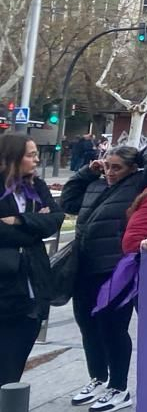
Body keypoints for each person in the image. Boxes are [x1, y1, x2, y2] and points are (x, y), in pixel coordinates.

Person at [60, 145, 147, 412]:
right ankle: (98, 378)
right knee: (87, 324)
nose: (110, 172)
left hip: (115, 269)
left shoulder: (138, 187)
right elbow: (68, 201)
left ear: (132, 168)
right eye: (107, 165)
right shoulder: (96, 185)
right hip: (85, 265)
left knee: (112, 327)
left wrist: (142, 156)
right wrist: (87, 171)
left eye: (117, 167)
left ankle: (119, 387)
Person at [0, 136, 61, 385]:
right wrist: (34, 228)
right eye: (30, 155)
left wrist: (20, 220)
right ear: (11, 158)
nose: (37, 159)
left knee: (14, 362)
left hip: (33, 287)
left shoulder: (37, 186)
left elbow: (56, 219)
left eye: (36, 154)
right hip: (6, 286)